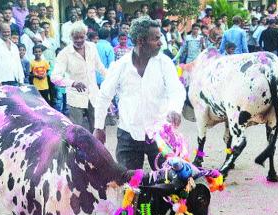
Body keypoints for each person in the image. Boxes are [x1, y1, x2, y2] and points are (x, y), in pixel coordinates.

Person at [93, 17, 185, 170]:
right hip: (128, 135)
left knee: (167, 182)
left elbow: (176, 90)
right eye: (156, 39)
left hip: (160, 134)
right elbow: (104, 96)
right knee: (130, 187)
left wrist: (175, 109)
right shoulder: (120, 66)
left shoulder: (164, 63)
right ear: (141, 41)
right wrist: (98, 127)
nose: (161, 43)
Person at [51, 22, 106, 132]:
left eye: (82, 37)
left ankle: (96, 149)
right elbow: (54, 77)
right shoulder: (64, 53)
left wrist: (111, 81)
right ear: (71, 37)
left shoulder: (92, 47)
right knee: (77, 130)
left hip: (93, 93)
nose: (79, 40)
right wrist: (73, 83)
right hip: (75, 96)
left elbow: (100, 67)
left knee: (97, 127)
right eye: (76, 38)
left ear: (85, 36)